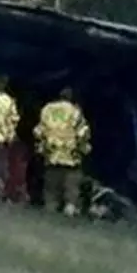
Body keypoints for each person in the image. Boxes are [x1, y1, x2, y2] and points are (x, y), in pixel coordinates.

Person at [34, 87, 92, 216]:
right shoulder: (75, 111)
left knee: (51, 190)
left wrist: (43, 147)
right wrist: (84, 148)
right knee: (71, 188)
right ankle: (69, 209)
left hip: (51, 155)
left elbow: (38, 131)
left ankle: (50, 210)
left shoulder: (47, 109)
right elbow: (82, 133)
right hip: (71, 156)